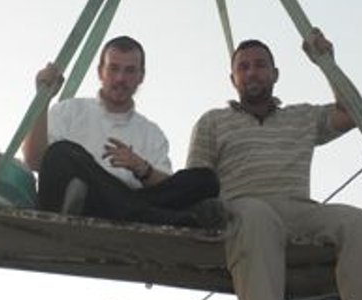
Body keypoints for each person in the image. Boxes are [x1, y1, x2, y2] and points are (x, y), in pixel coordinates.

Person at [186, 30, 362, 300]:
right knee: (256, 217)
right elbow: (195, 179)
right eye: (244, 67)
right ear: (233, 79)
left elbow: (355, 113)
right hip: (243, 208)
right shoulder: (213, 122)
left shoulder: (301, 117)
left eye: (260, 65)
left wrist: (327, 63)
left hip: (298, 208)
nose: (252, 72)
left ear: (275, 74)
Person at [22, 35, 223, 228]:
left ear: (140, 76)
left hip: (133, 203)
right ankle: (153, 216)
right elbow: (34, 160)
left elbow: (167, 188)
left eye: (129, 71)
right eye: (114, 69)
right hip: (77, 204)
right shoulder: (69, 110)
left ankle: (144, 214)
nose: (120, 78)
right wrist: (43, 97)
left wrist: (142, 168)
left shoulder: (151, 133)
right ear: (100, 71)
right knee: (62, 152)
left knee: (205, 179)